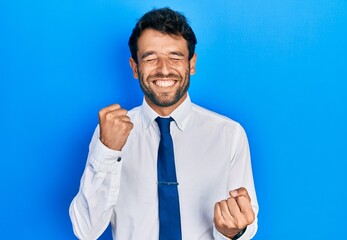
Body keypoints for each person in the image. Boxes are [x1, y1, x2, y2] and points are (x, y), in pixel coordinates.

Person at [70, 7, 258, 240]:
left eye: (175, 57)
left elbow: (246, 223)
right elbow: (85, 230)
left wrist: (233, 230)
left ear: (191, 64)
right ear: (135, 68)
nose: (164, 69)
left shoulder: (229, 134)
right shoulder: (109, 134)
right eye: (150, 58)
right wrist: (107, 151)